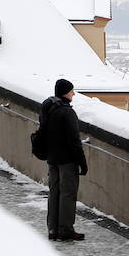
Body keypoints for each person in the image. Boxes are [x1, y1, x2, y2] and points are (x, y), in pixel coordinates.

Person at [39, 78, 88, 241]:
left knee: (54, 192)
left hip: (52, 158)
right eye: (71, 90)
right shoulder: (67, 112)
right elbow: (74, 139)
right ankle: (65, 229)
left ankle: (53, 229)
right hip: (67, 159)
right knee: (67, 194)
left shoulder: (49, 107)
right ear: (65, 92)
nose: (73, 93)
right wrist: (82, 162)